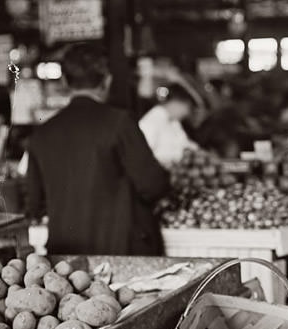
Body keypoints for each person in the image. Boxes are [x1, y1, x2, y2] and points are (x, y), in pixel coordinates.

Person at [24, 42, 170, 256]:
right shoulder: (119, 123)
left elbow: (34, 205)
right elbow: (153, 185)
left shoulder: (41, 135)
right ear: (107, 80)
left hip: (66, 260)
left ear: (65, 81)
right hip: (120, 253)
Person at [138, 83, 202, 169]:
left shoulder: (174, 122)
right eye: (187, 108)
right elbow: (144, 154)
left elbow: (185, 144)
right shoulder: (152, 121)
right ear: (176, 103)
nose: (186, 113)